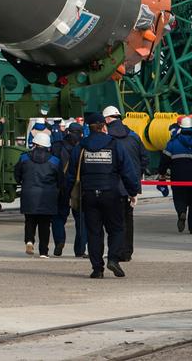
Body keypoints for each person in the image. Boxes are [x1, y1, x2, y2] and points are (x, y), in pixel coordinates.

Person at [68, 112, 140, 278]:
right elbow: (127, 170)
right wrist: (133, 191)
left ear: (88, 127)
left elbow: (71, 174)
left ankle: (97, 269)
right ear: (103, 126)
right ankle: (113, 259)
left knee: (94, 232)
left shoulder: (81, 147)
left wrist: (67, 194)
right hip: (111, 193)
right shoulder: (114, 145)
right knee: (117, 229)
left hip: (89, 195)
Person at [103, 105, 146, 262]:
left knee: (114, 221)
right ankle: (127, 252)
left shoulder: (107, 138)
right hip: (131, 186)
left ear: (107, 119)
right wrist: (136, 176)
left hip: (112, 186)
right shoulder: (134, 136)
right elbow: (144, 158)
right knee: (128, 219)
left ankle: (116, 251)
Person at [16, 130, 63, 257]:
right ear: (48, 146)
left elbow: (17, 175)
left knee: (29, 220)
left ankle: (29, 241)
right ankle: (43, 251)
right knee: (45, 224)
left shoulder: (24, 158)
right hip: (48, 196)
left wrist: (23, 182)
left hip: (29, 194)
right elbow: (60, 180)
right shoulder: (55, 161)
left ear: (34, 144)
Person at [50, 121, 82, 256]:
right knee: (81, 219)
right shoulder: (82, 147)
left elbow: (52, 165)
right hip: (78, 187)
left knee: (58, 217)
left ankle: (59, 241)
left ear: (68, 131)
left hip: (61, 185)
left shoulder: (57, 146)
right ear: (80, 134)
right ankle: (80, 250)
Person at [158, 115, 192, 232]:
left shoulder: (173, 142)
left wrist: (161, 172)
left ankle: (181, 212)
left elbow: (164, 160)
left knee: (179, 198)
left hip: (178, 177)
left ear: (180, 127)